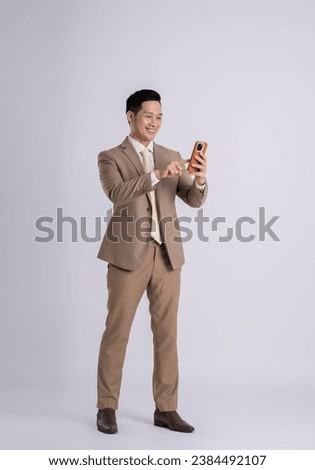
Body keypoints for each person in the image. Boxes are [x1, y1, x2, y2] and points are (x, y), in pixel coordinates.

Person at [96, 89, 208, 434]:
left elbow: (192, 199)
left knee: (166, 334)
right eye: (148, 116)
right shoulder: (110, 156)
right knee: (118, 332)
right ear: (130, 117)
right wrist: (158, 174)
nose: (154, 123)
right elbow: (117, 193)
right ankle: (107, 407)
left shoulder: (173, 154)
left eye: (159, 117)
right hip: (128, 256)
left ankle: (167, 408)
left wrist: (199, 178)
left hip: (167, 256)